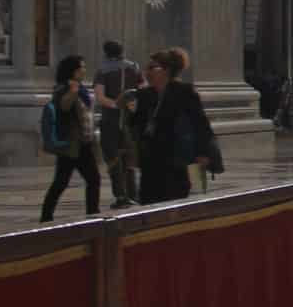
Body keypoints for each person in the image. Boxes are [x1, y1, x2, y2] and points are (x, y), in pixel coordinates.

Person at [133, 47, 220, 203]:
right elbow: (136, 125)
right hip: (150, 159)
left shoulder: (184, 92)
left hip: (176, 158)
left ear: (166, 70)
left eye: (153, 68)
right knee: (148, 201)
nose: (147, 72)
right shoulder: (144, 95)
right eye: (147, 68)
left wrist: (202, 152)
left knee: (174, 200)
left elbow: (200, 124)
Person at [40, 54, 101, 222]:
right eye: (81, 67)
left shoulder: (81, 89)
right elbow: (64, 107)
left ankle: (93, 214)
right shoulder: (63, 89)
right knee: (61, 182)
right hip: (71, 145)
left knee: (92, 179)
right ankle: (46, 216)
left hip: (84, 144)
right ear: (72, 70)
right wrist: (72, 92)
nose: (84, 70)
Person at [95, 41, 144, 204]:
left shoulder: (102, 70)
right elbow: (143, 88)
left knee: (113, 157)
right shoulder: (134, 67)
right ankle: (133, 193)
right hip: (130, 119)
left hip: (111, 119)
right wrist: (133, 104)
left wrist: (117, 104)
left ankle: (120, 195)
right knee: (128, 156)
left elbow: (100, 97)